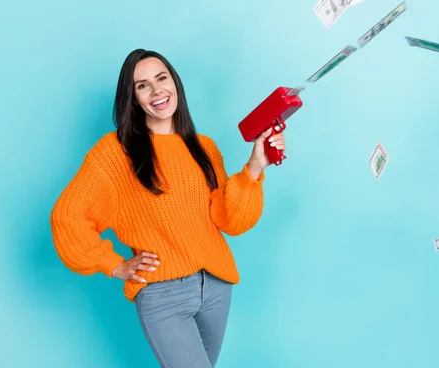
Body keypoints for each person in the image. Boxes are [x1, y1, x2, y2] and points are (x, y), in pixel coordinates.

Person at [50, 48, 286, 368]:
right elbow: (68, 216)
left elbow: (229, 220)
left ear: (175, 83)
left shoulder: (203, 147)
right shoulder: (115, 153)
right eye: (143, 85)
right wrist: (114, 264)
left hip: (216, 287)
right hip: (163, 295)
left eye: (162, 78)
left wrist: (255, 166)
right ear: (133, 99)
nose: (157, 89)